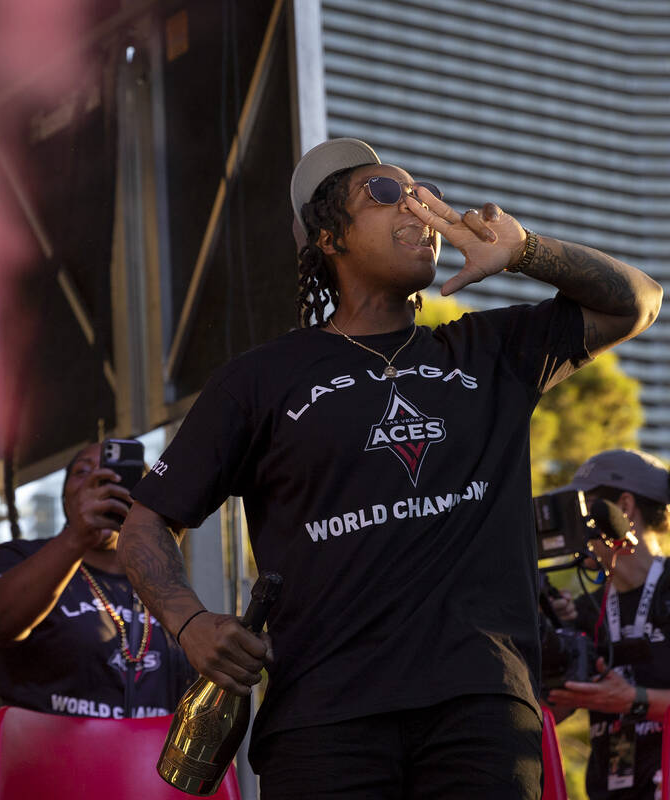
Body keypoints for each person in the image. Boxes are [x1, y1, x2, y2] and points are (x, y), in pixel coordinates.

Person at [117, 137, 663, 798]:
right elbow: (145, 522)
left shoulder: (489, 351)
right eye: (381, 192)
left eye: (416, 189)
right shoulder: (259, 381)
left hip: (482, 709)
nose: (415, 204)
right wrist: (190, 622)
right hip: (324, 723)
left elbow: (635, 303)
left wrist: (526, 251)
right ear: (327, 237)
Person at [0, 442, 195, 800]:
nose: (101, 481)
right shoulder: (18, 558)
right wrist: (77, 538)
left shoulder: (165, 585)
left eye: (121, 474)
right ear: (66, 496)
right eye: (83, 472)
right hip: (39, 781)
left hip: (138, 784)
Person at [546, 449, 670, 800]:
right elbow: (552, 710)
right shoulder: (585, 608)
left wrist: (634, 700)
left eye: (584, 506)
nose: (575, 521)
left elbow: (626, 699)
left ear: (624, 507)